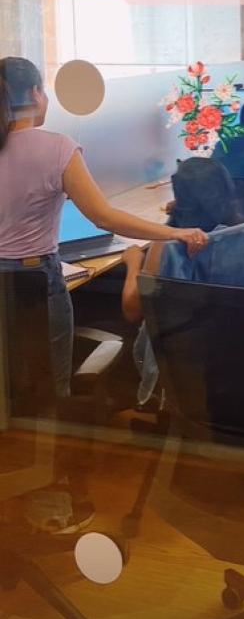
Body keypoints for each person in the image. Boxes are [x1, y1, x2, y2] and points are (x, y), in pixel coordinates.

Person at [0, 57, 208, 401]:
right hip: (35, 283)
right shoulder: (57, 148)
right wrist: (175, 232)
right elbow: (104, 218)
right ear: (36, 94)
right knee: (49, 388)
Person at [121, 158, 244, 405]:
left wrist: (134, 262)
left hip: (188, 367)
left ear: (179, 197)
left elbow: (133, 310)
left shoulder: (167, 245)